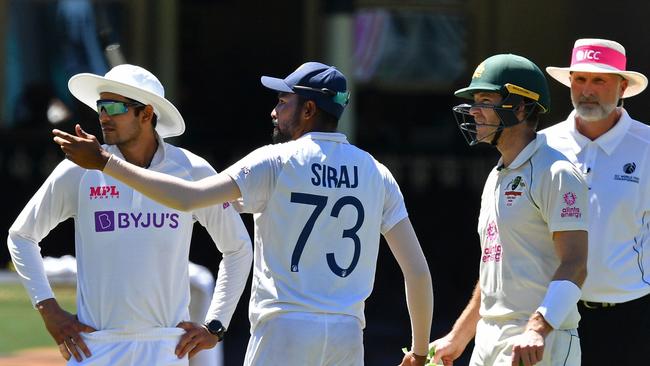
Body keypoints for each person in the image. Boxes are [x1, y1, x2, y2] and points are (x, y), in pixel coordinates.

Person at [52, 61, 434, 366]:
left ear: (309, 110)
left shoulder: (275, 161)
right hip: (347, 334)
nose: (274, 111)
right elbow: (416, 271)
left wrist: (105, 162)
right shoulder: (377, 172)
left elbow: (188, 198)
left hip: (283, 329)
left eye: (283, 102)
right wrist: (418, 352)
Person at [7, 64, 253, 366]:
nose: (103, 116)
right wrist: (49, 311)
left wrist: (215, 325)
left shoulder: (193, 170)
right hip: (94, 348)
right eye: (100, 107)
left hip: (166, 349)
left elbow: (238, 248)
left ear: (146, 114)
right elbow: (20, 236)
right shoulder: (80, 168)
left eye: (113, 107)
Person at [430, 54, 589, 366]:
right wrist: (459, 336)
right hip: (489, 339)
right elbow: (494, 268)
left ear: (519, 107)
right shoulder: (496, 176)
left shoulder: (556, 172)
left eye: (485, 100)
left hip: (539, 340)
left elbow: (576, 263)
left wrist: (538, 329)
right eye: (473, 101)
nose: (473, 110)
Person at [540, 38, 650, 366]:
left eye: (599, 80)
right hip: (552, 314)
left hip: (632, 316)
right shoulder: (544, 144)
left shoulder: (647, 145)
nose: (587, 90)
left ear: (622, 87)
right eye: (580, 79)